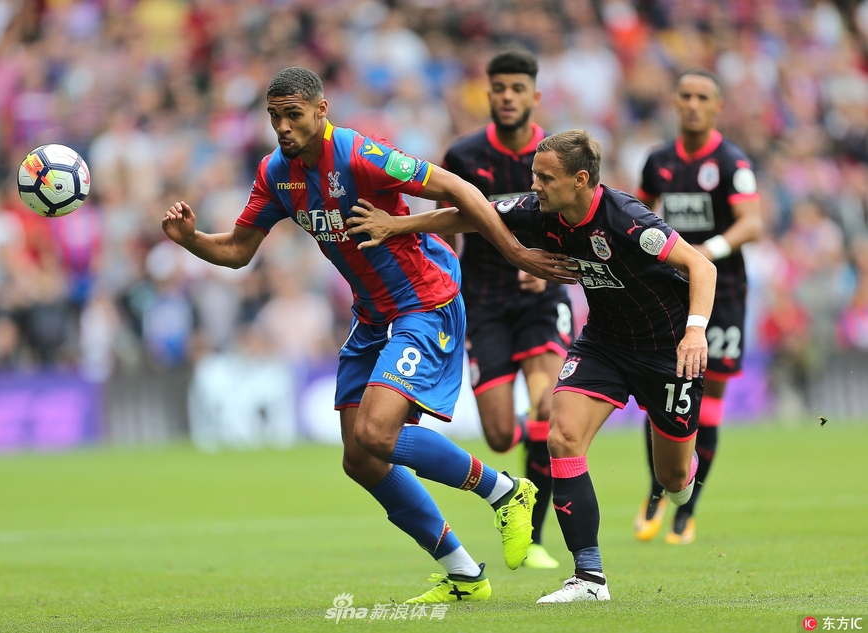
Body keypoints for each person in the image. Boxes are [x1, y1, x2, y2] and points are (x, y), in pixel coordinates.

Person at [161, 67, 569, 604]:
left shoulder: (361, 155)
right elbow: (238, 251)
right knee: (360, 459)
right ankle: (465, 574)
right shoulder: (275, 173)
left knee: (377, 434)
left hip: (424, 303)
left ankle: (506, 492)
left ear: (321, 110)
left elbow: (456, 188)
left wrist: (516, 252)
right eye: (274, 117)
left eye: (293, 115)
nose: (282, 127)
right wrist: (190, 239)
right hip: (373, 316)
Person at [345, 129, 717, 603]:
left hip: (668, 351)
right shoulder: (538, 210)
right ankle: (589, 579)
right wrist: (399, 225)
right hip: (604, 344)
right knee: (561, 436)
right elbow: (470, 215)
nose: (534, 185)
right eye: (534, 175)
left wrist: (695, 331)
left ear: (580, 180)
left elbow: (702, 267)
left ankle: (683, 475)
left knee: (672, 480)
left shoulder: (627, 220)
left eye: (545, 177)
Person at [438, 49, 572, 570]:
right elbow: (445, 227)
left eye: (518, 88)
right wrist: (445, 288)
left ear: (534, 95)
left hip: (542, 300)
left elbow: (579, 222)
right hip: (485, 302)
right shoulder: (464, 156)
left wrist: (551, 267)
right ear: (488, 94)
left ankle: (534, 538)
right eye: (499, 89)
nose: (508, 97)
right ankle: (523, 468)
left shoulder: (556, 153)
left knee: (546, 408)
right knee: (497, 436)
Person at [633, 69, 762, 545]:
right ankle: (656, 491)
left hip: (723, 295)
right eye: (685, 95)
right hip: (671, 292)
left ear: (717, 106)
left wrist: (707, 251)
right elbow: (638, 211)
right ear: (674, 102)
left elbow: (752, 223)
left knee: (710, 403)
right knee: (660, 392)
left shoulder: (731, 161)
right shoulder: (658, 161)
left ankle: (687, 512)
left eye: (702, 97)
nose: (692, 104)